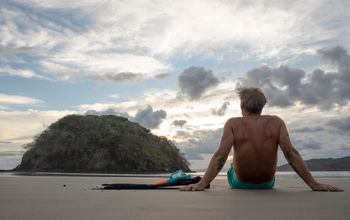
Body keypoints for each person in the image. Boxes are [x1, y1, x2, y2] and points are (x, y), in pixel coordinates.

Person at [180, 87, 343, 192]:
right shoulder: (277, 122)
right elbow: (290, 154)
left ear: (242, 106)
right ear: (262, 106)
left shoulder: (233, 123)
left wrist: (202, 184)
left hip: (240, 184)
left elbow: (221, 155)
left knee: (230, 164)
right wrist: (314, 184)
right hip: (267, 184)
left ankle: (233, 168)